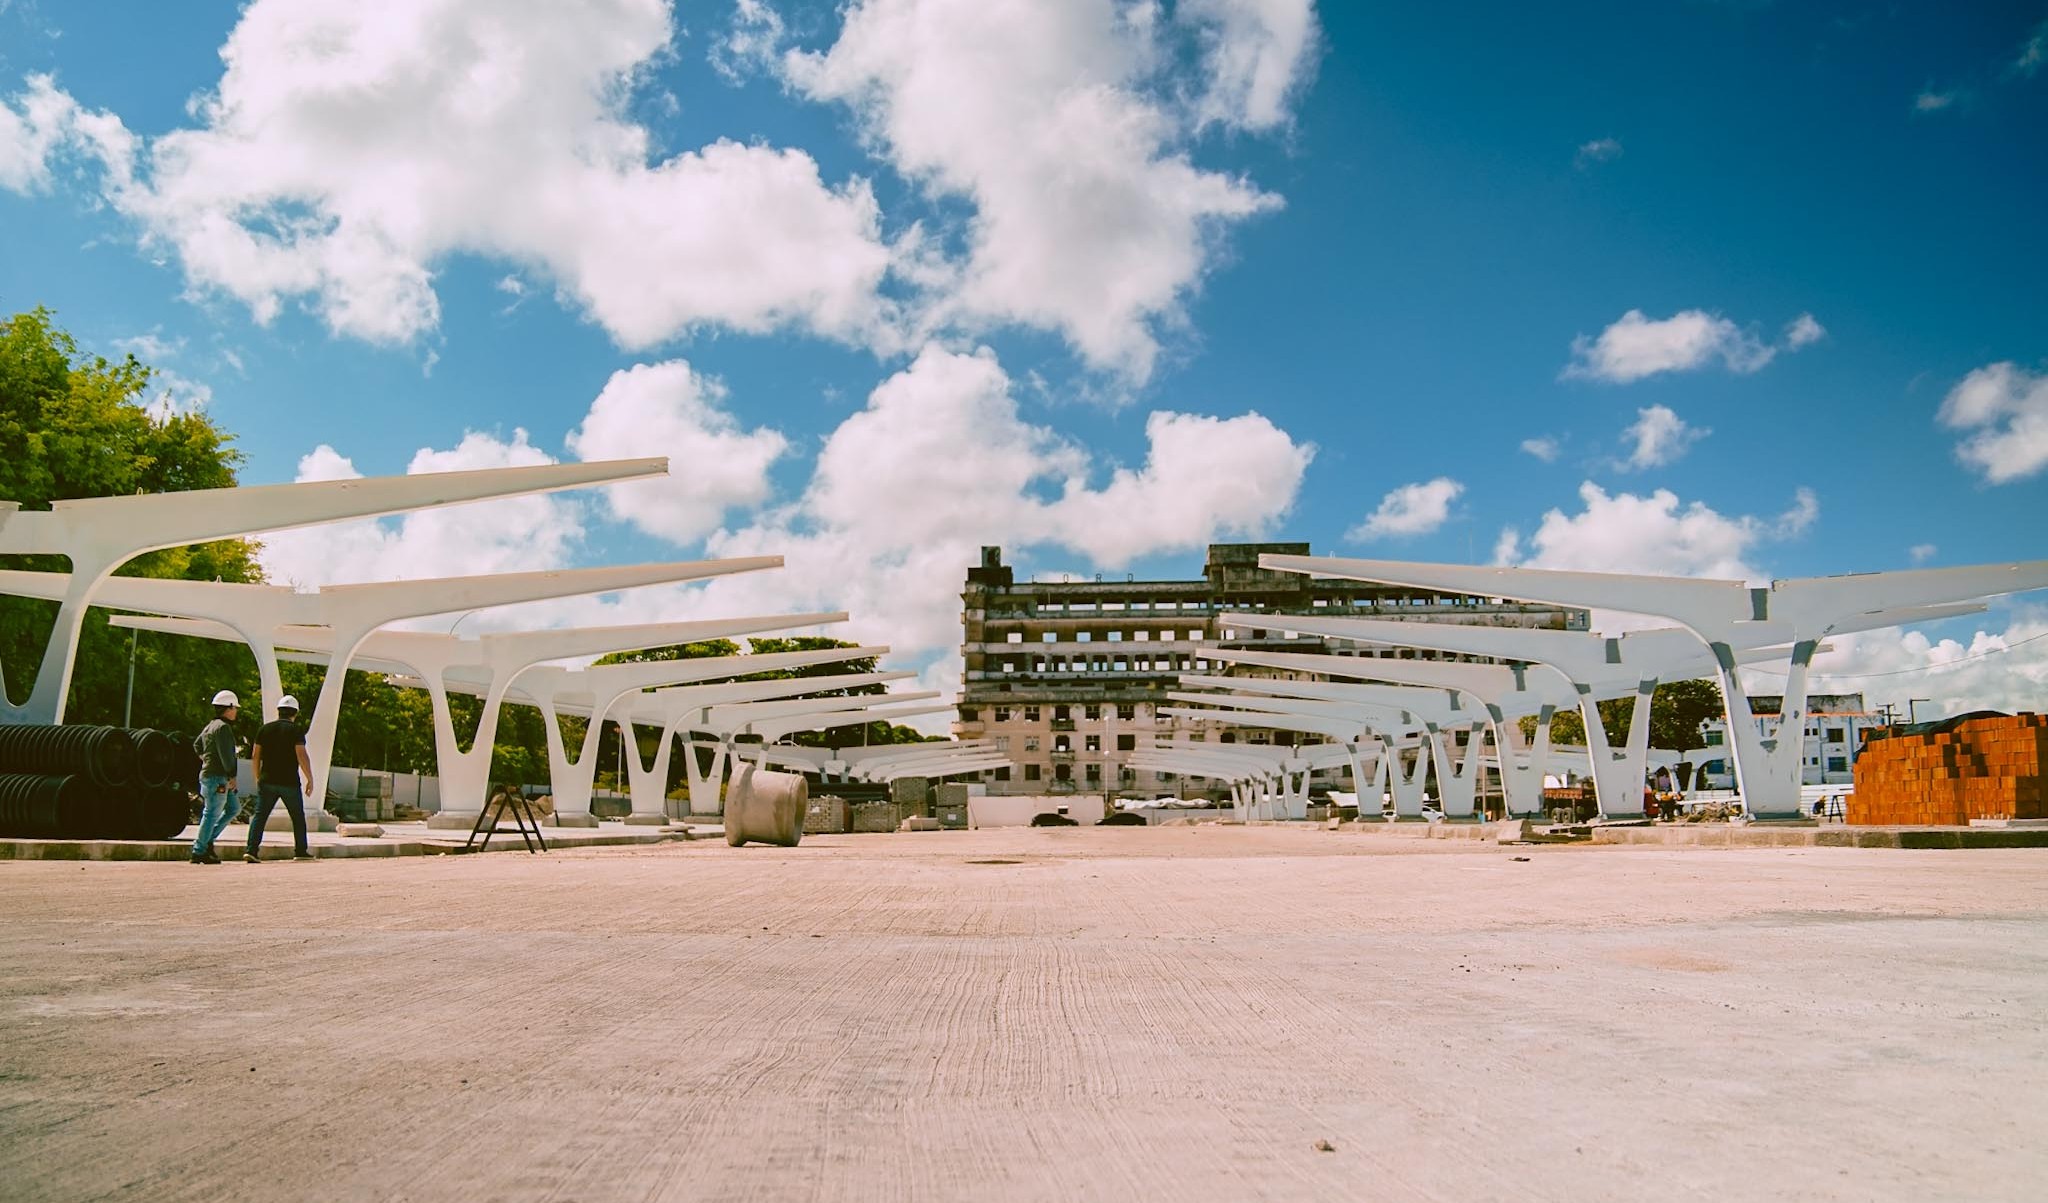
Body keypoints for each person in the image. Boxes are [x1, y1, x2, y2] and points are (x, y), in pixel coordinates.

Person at [246, 694, 316, 862]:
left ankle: (251, 850)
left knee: (260, 816)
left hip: (267, 780)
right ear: (295, 713)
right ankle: (300, 851)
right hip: (289, 782)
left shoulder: (264, 729)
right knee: (297, 817)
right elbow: (301, 755)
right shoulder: (296, 730)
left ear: (278, 711)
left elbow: (256, 755)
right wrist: (310, 778)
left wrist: (257, 777)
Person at [191, 689, 242, 865]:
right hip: (218, 778)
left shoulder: (210, 726)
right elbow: (227, 755)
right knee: (212, 813)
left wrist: (206, 759)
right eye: (234, 708)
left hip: (209, 776)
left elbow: (197, 745)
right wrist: (231, 776)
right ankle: (199, 850)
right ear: (228, 708)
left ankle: (207, 841)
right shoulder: (223, 728)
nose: (236, 711)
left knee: (234, 808)